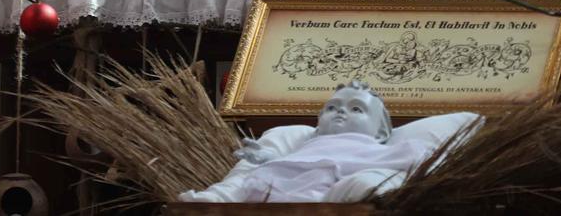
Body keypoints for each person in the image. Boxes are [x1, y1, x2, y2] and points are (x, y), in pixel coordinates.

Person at [179, 81, 436, 203]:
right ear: (318, 121)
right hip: (271, 193)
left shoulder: (370, 147)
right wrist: (267, 159)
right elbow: (293, 163)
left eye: (357, 109)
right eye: (332, 107)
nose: (341, 112)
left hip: (317, 198)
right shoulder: (305, 144)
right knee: (246, 183)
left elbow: (404, 159)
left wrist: (417, 156)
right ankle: (213, 201)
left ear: (380, 133)